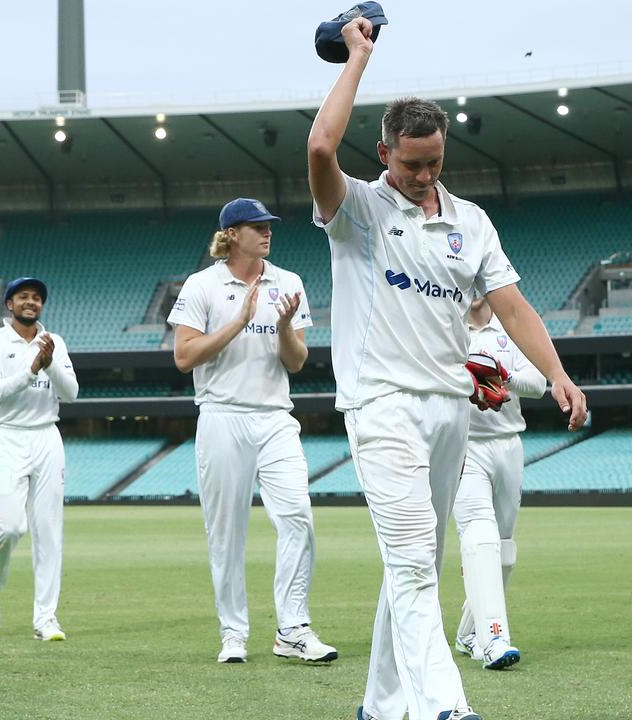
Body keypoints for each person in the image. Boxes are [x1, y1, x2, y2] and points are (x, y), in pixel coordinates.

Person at [307, 17, 588, 720]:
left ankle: (379, 703)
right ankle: (444, 705)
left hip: (449, 412)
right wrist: (359, 58)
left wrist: (556, 372)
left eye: (434, 162)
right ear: (384, 153)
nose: (424, 175)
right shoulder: (360, 211)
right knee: (410, 562)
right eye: (410, 164)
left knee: (418, 568)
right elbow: (318, 145)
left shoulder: (471, 221)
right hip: (381, 407)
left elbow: (512, 306)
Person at [168, 198, 337, 665]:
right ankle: (233, 633)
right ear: (232, 233)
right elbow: (184, 357)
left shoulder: (289, 282)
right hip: (221, 415)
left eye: (268, 226)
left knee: (298, 516)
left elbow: (297, 361)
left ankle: (293, 630)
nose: (267, 233)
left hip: (276, 417)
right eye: (257, 226)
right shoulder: (202, 285)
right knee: (226, 532)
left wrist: (283, 327)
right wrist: (239, 323)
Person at [0, 277, 78, 641]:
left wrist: (49, 365)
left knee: (48, 532)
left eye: (36, 298)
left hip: (47, 435)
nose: (30, 303)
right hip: (8, 436)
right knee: (10, 527)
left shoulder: (55, 342)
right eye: (23, 297)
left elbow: (72, 392)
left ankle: (46, 619)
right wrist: (31, 369)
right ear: (10, 304)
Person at [452, 296, 546, 670]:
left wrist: (501, 376)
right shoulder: (447, 322)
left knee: (503, 548)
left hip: (508, 446)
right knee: (481, 537)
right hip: (464, 445)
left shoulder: (509, 327)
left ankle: (468, 632)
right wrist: (469, 380)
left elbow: (538, 383)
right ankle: (493, 637)